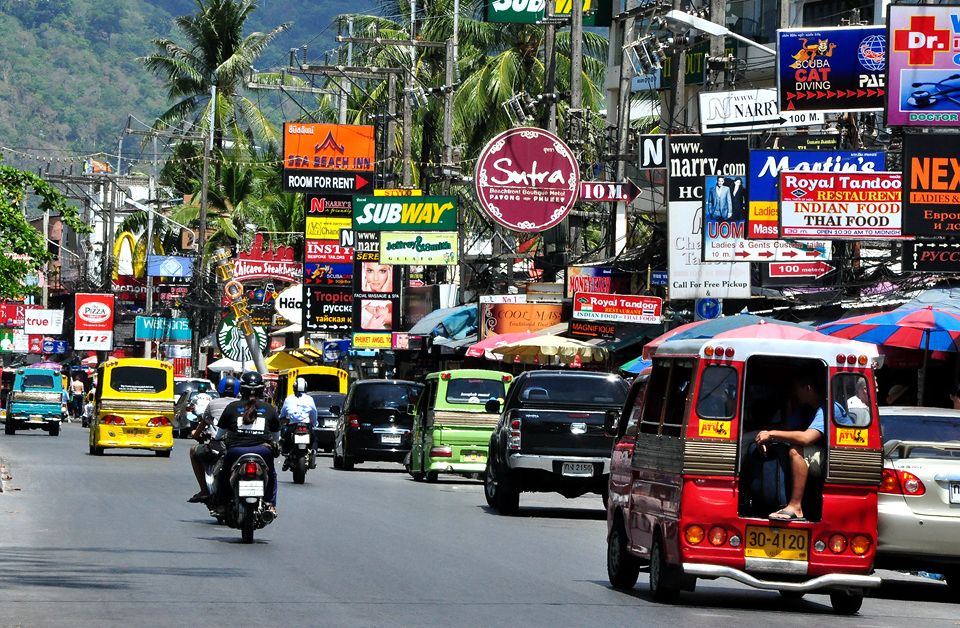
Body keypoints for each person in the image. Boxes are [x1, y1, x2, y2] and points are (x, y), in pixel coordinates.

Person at [754, 376, 826, 521]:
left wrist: (771, 434)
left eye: (796, 389)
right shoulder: (806, 409)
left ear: (807, 388)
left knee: (797, 450)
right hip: (819, 455)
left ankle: (795, 507)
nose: (794, 393)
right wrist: (766, 435)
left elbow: (807, 438)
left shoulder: (828, 408)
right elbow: (788, 430)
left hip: (833, 460)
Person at [214, 371, 281, 516]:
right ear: (261, 389)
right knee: (272, 474)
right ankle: (270, 504)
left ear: (241, 389)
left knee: (224, 473)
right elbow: (276, 437)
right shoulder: (269, 409)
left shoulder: (232, 407)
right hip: (263, 452)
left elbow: (219, 434)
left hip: (235, 452)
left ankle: (221, 505)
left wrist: (216, 440)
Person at [188, 374, 239, 504]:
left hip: (220, 445)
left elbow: (203, 423)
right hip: (240, 444)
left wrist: (195, 434)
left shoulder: (213, 403)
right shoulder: (241, 405)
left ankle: (204, 490)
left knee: (193, 451)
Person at [278, 377, 318, 469]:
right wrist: (314, 423)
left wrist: (282, 419)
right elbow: (314, 413)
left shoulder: (289, 399)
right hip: (306, 425)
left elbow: (283, 413)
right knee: (314, 439)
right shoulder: (309, 399)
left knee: (285, 438)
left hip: (293, 426)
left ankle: (287, 456)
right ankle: (313, 452)